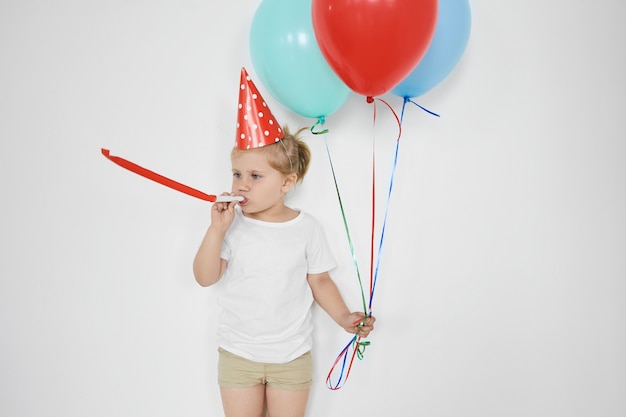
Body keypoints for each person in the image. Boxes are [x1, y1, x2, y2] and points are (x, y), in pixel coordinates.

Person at [192, 68, 375, 417]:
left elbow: (319, 281)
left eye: (256, 176)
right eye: (237, 174)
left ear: (287, 182)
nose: (242, 184)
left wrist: (344, 318)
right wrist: (216, 229)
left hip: (290, 358)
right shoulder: (233, 225)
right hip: (238, 354)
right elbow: (205, 277)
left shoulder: (307, 229)